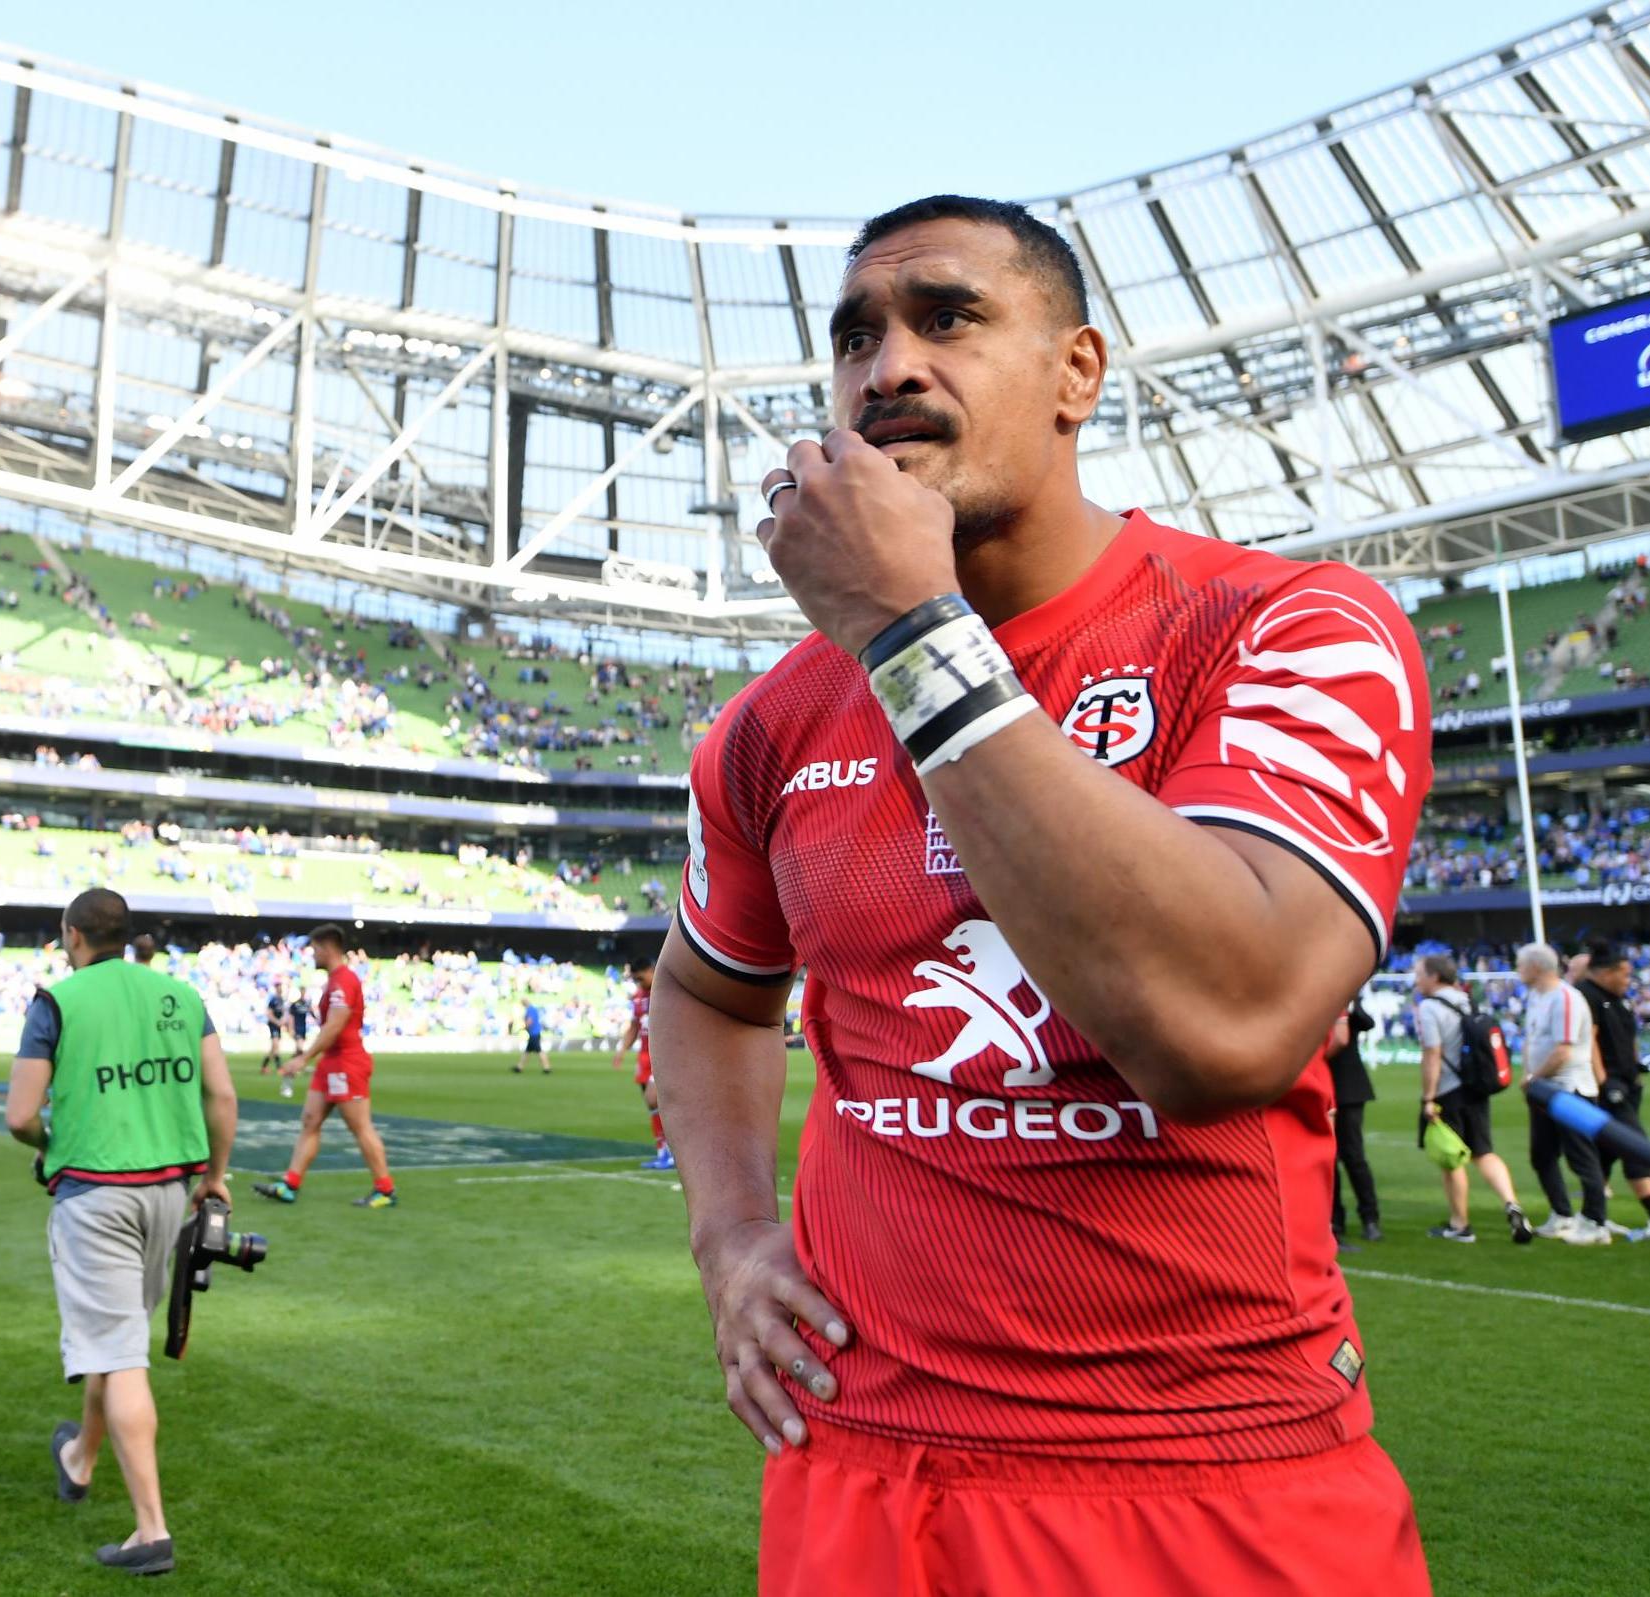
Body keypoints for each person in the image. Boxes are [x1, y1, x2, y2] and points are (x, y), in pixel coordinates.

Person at [656, 195, 1435, 1595]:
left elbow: (1225, 1027)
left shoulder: (1286, 626)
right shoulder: (775, 724)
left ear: (1077, 371)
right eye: (855, 337)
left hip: (1202, 1480)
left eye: (945, 317)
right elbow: (707, 987)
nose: (887, 367)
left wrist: (909, 635)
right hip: (856, 1469)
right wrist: (727, 1229)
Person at [3, 887, 239, 1578]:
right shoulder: (181, 995)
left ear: (70, 934)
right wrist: (216, 1176)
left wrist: (51, 1142)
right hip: (168, 1191)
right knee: (117, 1336)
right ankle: (79, 1458)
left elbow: (20, 1115)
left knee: (119, 1353)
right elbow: (220, 1096)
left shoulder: (57, 1001)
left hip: (96, 1193)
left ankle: (151, 1530)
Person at [253, 924, 395, 1209]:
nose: (312, 955)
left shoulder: (343, 981)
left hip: (346, 1062)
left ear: (328, 947)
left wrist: (304, 1058)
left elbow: (336, 1024)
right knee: (310, 1120)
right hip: (332, 1062)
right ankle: (290, 1184)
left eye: (315, 949)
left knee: (360, 1127)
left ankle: (385, 1190)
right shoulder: (335, 981)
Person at [1415, 954, 1533, 1244]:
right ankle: (1511, 1203)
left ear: (1434, 976)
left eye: (1419, 973)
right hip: (1475, 1087)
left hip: (1448, 1091)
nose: (1415, 980)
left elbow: (1433, 1053)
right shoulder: (1466, 1000)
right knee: (1483, 1151)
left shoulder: (1430, 1007)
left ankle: (1460, 1224)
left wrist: (1428, 1097)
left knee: (1452, 1159)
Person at [1517, 943, 1608, 1245]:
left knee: (1580, 1157)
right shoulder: (1535, 997)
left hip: (1571, 1089)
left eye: (1521, 965)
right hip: (1544, 1089)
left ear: (1536, 967)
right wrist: (1531, 1078)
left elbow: (1563, 1050)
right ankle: (1562, 1214)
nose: (1518, 971)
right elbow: (1533, 1041)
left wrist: (1533, 1077)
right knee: (1541, 1154)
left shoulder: (1565, 998)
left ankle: (1596, 1222)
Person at [1575, 942, 1650, 1241]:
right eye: (1624, 974)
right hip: (1611, 1086)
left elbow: (1628, 1036)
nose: (1627, 981)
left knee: (1605, 1152)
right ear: (1606, 973)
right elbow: (1590, 1040)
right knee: (1635, 1148)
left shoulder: (1617, 999)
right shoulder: (1588, 996)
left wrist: (1634, 1070)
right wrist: (1604, 1081)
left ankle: (1593, 1217)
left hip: (1627, 1082)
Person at [1328, 995, 1382, 1246]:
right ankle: (1335, 1219)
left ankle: (1370, 1218)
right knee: (1330, 1159)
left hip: (1348, 1089)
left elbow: (1366, 1022)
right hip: (1331, 1087)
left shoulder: (1346, 1005)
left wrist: (1348, 1003)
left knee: (1353, 1156)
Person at [611, 956, 670, 1171]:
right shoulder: (638, 997)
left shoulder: (668, 991)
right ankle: (664, 1153)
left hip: (663, 1054)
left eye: (640, 978)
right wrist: (621, 1051)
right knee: (653, 1106)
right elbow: (635, 1026)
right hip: (644, 1056)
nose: (638, 983)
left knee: (654, 1100)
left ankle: (673, 1152)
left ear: (651, 970)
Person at [284, 990, 312, 1100]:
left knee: (298, 1050)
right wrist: (291, 1029)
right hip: (297, 1029)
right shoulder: (294, 1005)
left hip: (303, 1029)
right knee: (299, 1049)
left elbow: (311, 1013)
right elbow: (291, 1018)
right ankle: (292, 1068)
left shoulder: (306, 1003)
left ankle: (293, 1067)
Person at [513, 998, 548, 1075]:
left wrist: (522, 1028)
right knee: (527, 1051)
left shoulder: (530, 1010)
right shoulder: (533, 1009)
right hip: (534, 1033)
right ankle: (519, 1067)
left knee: (539, 1051)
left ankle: (546, 1068)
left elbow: (529, 1021)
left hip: (534, 1034)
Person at [261, 984, 287, 1077]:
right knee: (276, 1045)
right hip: (273, 1025)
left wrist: (283, 1020)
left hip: (278, 1025)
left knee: (273, 1049)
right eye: (279, 988)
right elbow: (269, 1014)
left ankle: (264, 1067)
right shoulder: (273, 1000)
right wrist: (277, 1022)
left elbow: (284, 1012)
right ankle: (279, 1068)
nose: (280, 989)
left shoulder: (282, 1000)